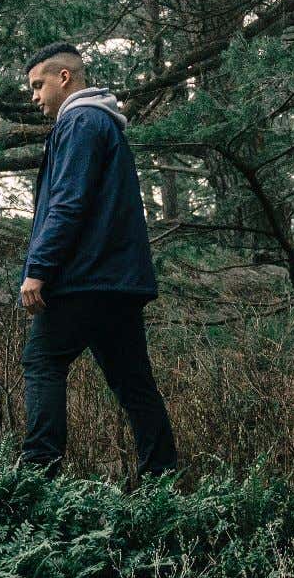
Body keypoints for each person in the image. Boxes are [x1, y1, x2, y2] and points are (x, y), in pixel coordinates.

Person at [18, 43, 178, 478]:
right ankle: (162, 480)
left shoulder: (80, 121)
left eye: (38, 85)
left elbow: (68, 203)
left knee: (42, 362)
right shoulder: (102, 123)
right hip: (117, 283)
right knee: (134, 384)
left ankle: (38, 475)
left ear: (64, 77)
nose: (34, 97)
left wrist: (38, 269)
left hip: (84, 279)